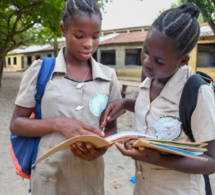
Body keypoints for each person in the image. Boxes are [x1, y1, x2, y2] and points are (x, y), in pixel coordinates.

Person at [101, 3, 215, 195]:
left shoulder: (196, 92)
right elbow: (153, 108)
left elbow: (211, 160)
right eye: (145, 51)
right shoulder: (149, 77)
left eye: (158, 61)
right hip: (144, 187)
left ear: (182, 61)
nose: (146, 62)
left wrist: (157, 159)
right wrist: (124, 103)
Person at [9, 0, 121, 194]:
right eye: (79, 36)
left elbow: (111, 127)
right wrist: (58, 124)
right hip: (48, 177)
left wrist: (101, 148)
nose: (88, 44)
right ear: (63, 29)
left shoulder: (108, 77)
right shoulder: (41, 71)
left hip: (89, 178)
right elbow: (17, 124)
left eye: (95, 36)